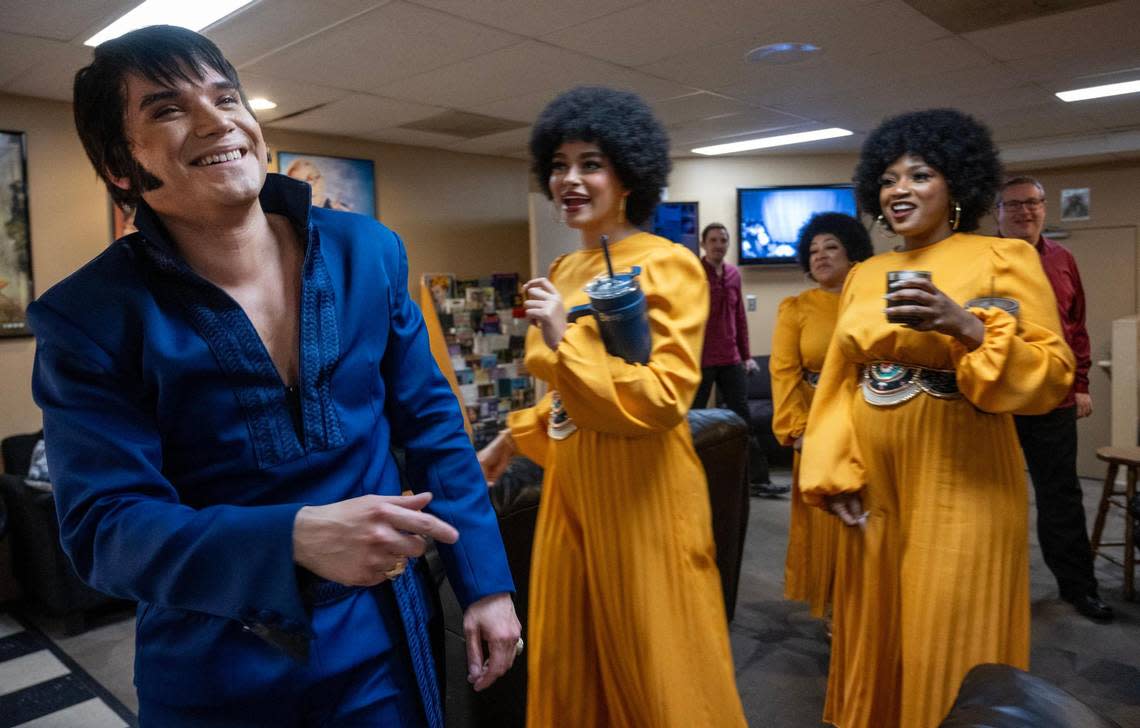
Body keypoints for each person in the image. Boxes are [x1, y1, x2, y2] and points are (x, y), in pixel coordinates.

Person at [31, 25, 520, 726]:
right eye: (168, 109)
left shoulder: (369, 254)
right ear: (120, 166)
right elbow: (105, 530)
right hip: (217, 656)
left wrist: (485, 583)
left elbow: (433, 425)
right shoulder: (90, 319)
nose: (216, 119)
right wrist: (290, 537)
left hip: (384, 635)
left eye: (227, 96)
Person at [477, 86, 747, 728]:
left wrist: (562, 337)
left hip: (643, 495)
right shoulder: (566, 265)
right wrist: (511, 438)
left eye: (590, 163)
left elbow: (662, 400)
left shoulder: (669, 265)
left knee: (659, 668)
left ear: (628, 175)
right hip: (572, 493)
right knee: (577, 660)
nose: (570, 178)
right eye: (560, 163)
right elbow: (572, 397)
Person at [799, 108, 1075, 728]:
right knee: (877, 626)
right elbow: (841, 382)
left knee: (951, 624)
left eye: (919, 175)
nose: (900, 189)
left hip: (963, 477)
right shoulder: (865, 273)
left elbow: (1051, 373)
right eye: (890, 178)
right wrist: (833, 471)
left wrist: (966, 325)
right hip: (874, 483)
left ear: (956, 185)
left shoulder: (1003, 256)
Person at [996, 175, 1113, 622]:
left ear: (1045, 208)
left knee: (1060, 497)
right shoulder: (983, 260)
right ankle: (995, 590)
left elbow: (1076, 326)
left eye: (1033, 203)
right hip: (996, 400)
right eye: (1014, 205)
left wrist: (1080, 382)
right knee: (993, 497)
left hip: (1052, 399)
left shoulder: (1063, 260)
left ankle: (1078, 588)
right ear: (998, 213)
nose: (1025, 211)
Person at [770, 212, 872, 618]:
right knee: (827, 522)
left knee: (870, 514)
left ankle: (871, 603)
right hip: (816, 428)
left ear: (852, 252)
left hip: (870, 423)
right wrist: (797, 432)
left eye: (831, 246)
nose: (821, 256)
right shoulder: (796, 308)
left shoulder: (870, 301)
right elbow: (783, 373)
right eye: (813, 250)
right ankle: (834, 611)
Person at [692, 222, 786, 495]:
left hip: (731, 358)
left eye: (723, 240)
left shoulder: (733, 274)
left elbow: (739, 317)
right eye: (713, 240)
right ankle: (693, 477)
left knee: (743, 422)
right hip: (702, 359)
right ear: (703, 244)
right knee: (692, 419)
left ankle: (758, 480)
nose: (719, 245)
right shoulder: (695, 273)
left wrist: (747, 356)